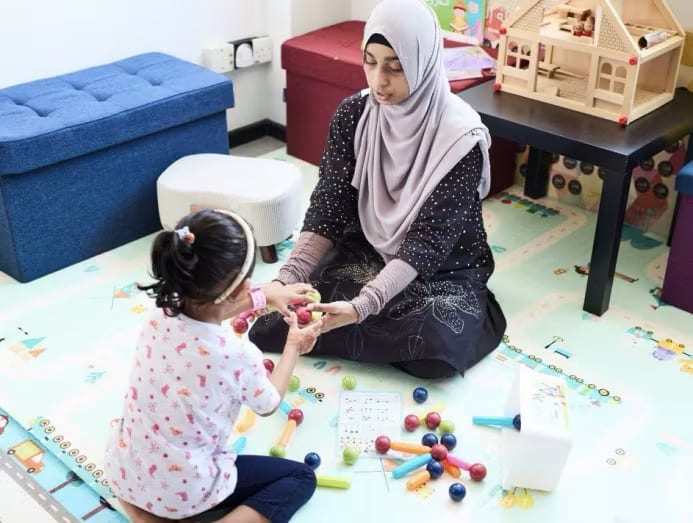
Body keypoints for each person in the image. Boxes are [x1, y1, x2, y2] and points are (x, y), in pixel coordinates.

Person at [250, 0, 506, 380]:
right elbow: (329, 209)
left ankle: (397, 325)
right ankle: (371, 332)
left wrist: (361, 307)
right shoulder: (355, 114)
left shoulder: (461, 138)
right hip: (367, 245)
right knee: (275, 323)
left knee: (436, 350)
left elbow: (427, 243)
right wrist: (282, 280)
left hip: (441, 264)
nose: (378, 81)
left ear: (422, 63)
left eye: (395, 67)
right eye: (370, 62)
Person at [104, 209, 323, 523]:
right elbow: (269, 404)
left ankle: (143, 514)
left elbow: (208, 307)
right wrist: (294, 346)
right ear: (242, 288)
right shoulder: (236, 354)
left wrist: (262, 296)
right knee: (300, 478)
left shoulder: (157, 316)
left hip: (124, 470)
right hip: (184, 491)